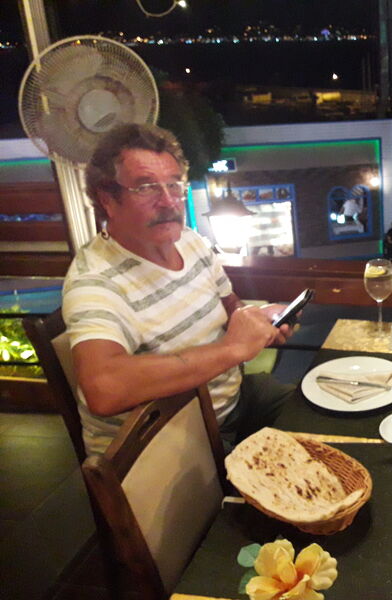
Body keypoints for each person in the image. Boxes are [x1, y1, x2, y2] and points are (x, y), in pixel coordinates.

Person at [62, 123, 295, 456]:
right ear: (107, 198)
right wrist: (232, 349)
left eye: (174, 184)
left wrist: (255, 319)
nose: (169, 201)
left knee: (328, 421)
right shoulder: (95, 281)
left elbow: (229, 303)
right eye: (146, 187)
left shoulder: (190, 240)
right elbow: (104, 388)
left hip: (234, 399)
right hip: (171, 448)